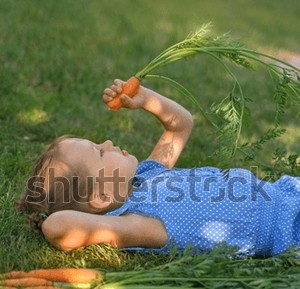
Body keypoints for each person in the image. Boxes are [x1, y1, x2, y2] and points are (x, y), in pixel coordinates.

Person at [18, 79, 300, 257]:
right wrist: (44, 219)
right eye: (100, 152)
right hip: (287, 229)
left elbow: (181, 124)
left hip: (284, 193)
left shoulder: (146, 175)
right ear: (102, 197)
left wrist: (146, 99)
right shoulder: (136, 224)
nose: (107, 140)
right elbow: (59, 226)